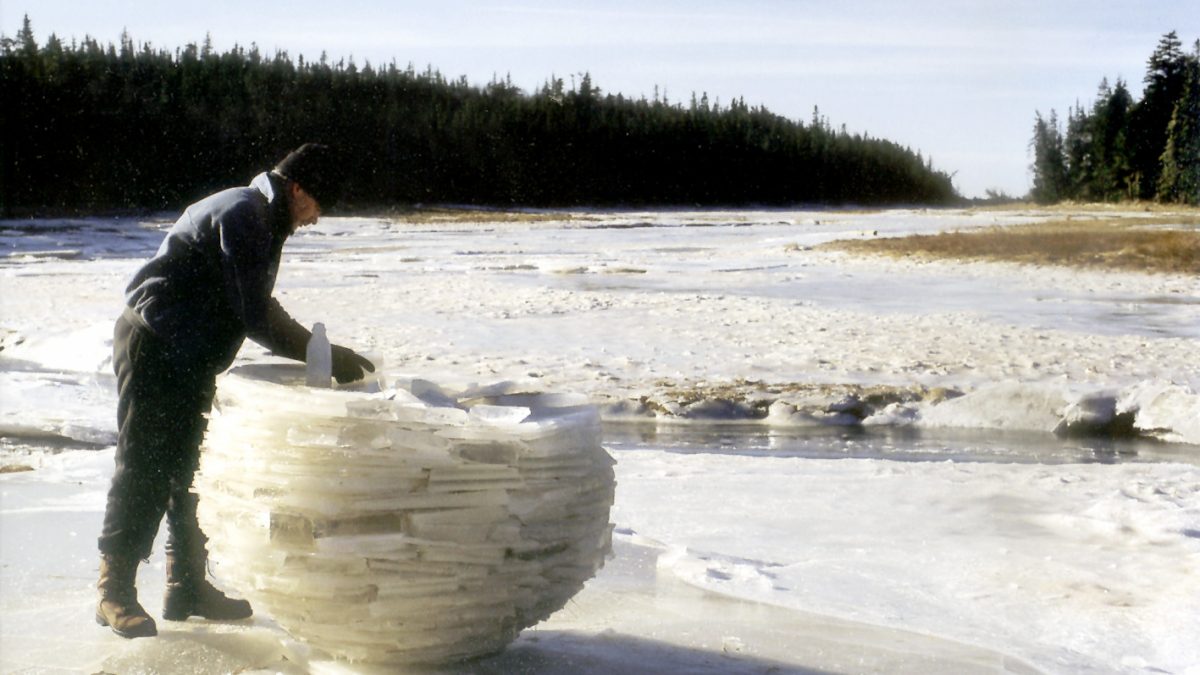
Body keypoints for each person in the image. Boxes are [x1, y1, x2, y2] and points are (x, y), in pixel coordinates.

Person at [96, 143, 375, 639]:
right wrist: (320, 353)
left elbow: (253, 302)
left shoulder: (263, 214)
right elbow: (256, 312)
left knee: (189, 468)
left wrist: (319, 350)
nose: (316, 219)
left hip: (189, 350)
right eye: (317, 205)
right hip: (155, 342)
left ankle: (185, 586)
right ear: (297, 189)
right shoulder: (244, 214)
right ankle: (113, 591)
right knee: (144, 463)